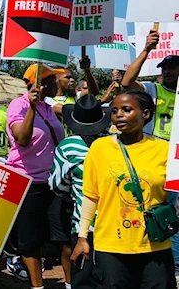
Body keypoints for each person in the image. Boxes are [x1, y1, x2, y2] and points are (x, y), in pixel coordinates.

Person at [71, 91, 175, 288]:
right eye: (114, 111)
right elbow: (91, 196)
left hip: (155, 245)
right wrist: (82, 237)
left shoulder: (165, 150)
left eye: (126, 110)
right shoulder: (99, 148)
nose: (118, 115)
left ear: (145, 114)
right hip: (110, 247)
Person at [6, 64, 65, 289]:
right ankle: (37, 286)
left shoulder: (49, 108)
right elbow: (22, 138)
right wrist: (31, 107)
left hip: (53, 183)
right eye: (50, 80)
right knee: (30, 241)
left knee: (60, 237)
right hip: (27, 183)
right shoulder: (18, 105)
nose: (55, 83)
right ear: (37, 84)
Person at [49, 94, 110, 289]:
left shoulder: (68, 147)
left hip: (85, 225)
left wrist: (73, 193)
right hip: (114, 223)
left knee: (86, 278)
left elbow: (57, 184)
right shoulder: (114, 143)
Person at [122, 30, 177, 141]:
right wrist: (146, 50)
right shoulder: (153, 89)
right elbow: (126, 83)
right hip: (153, 145)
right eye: (164, 68)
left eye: (172, 68)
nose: (167, 71)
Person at [45, 57, 99, 134]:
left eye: (72, 77)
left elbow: (94, 92)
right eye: (68, 78)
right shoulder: (47, 100)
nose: (72, 80)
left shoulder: (74, 96)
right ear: (57, 80)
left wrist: (87, 71)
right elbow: (66, 110)